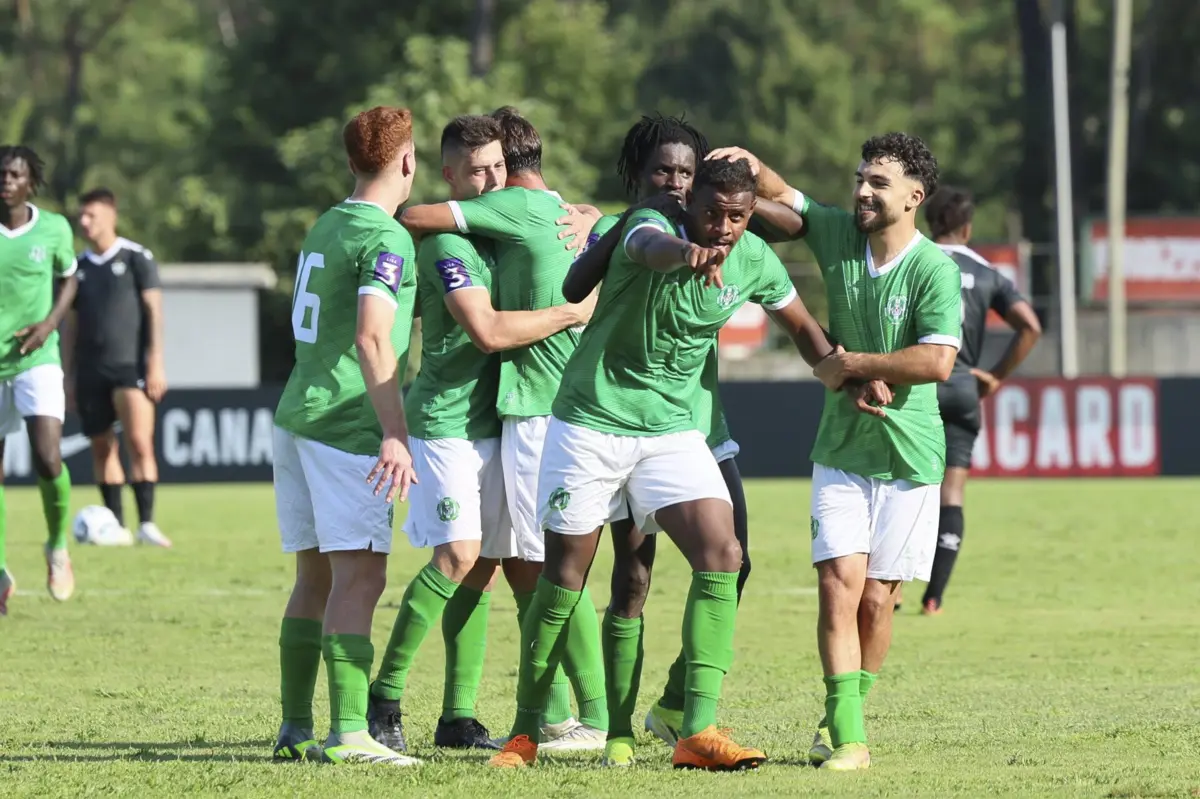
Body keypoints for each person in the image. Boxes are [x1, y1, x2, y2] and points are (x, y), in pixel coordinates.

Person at [488, 156, 838, 771]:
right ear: (689, 203)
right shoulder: (651, 226)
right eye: (711, 213)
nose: (723, 227)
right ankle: (524, 733)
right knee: (566, 574)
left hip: (673, 433)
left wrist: (848, 374)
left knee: (724, 554)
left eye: (736, 216)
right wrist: (685, 253)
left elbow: (803, 327)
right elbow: (649, 247)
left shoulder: (754, 257)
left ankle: (696, 731)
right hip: (591, 423)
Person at [563, 113, 817, 765]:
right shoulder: (634, 227)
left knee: (732, 559)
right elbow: (585, 279)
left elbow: (792, 225)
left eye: (685, 171)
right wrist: (623, 224)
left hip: (701, 430)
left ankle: (680, 708)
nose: (674, 182)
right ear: (637, 174)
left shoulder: (725, 223)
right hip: (616, 424)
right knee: (633, 575)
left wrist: (756, 173)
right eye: (662, 171)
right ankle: (606, 723)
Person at [707, 133, 962, 771]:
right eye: (860, 178)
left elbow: (936, 361)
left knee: (878, 600)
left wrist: (854, 364)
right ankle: (849, 738)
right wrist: (741, 162)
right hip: (841, 449)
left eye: (879, 183)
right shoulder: (838, 232)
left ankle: (843, 711)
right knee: (836, 586)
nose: (863, 192)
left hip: (911, 455)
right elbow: (777, 189)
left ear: (914, 197)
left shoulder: (934, 269)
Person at [367, 114, 595, 753]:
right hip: (444, 420)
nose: (493, 178)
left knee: (488, 568)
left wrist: (586, 212)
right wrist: (571, 312)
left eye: (498, 166)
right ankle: (381, 699)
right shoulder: (448, 241)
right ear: (450, 175)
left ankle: (459, 718)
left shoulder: (496, 229)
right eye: (477, 170)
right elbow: (488, 333)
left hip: (494, 416)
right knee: (459, 556)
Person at [270, 106, 421, 767]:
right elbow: (371, 335)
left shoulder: (326, 223)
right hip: (345, 424)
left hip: (296, 415)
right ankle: (351, 732)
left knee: (314, 578)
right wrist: (394, 431)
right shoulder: (386, 238)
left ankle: (295, 727)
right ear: (407, 161)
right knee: (360, 575)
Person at [920, 186, 1041, 614]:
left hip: (918, 386)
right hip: (964, 390)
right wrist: (994, 378)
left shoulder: (915, 258)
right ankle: (934, 596)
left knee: (899, 487)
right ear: (968, 228)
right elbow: (1030, 326)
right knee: (951, 493)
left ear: (930, 222)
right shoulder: (989, 273)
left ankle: (888, 593)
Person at [62, 188, 171, 548]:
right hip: (91, 371)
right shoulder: (77, 267)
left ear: (111, 215)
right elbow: (71, 327)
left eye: (91, 215)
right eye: (82, 215)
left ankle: (147, 524)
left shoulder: (137, 257)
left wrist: (155, 363)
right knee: (101, 448)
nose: (84, 221)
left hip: (130, 368)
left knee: (140, 443)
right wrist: (68, 375)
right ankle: (115, 525)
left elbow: (154, 312)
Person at [0, 145, 78, 616]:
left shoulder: (53, 228)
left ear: (31, 182)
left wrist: (49, 324)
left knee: (48, 458)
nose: (5, 180)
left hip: (37, 359)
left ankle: (57, 545)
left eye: (14, 174)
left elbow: (69, 277)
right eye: (0, 173)